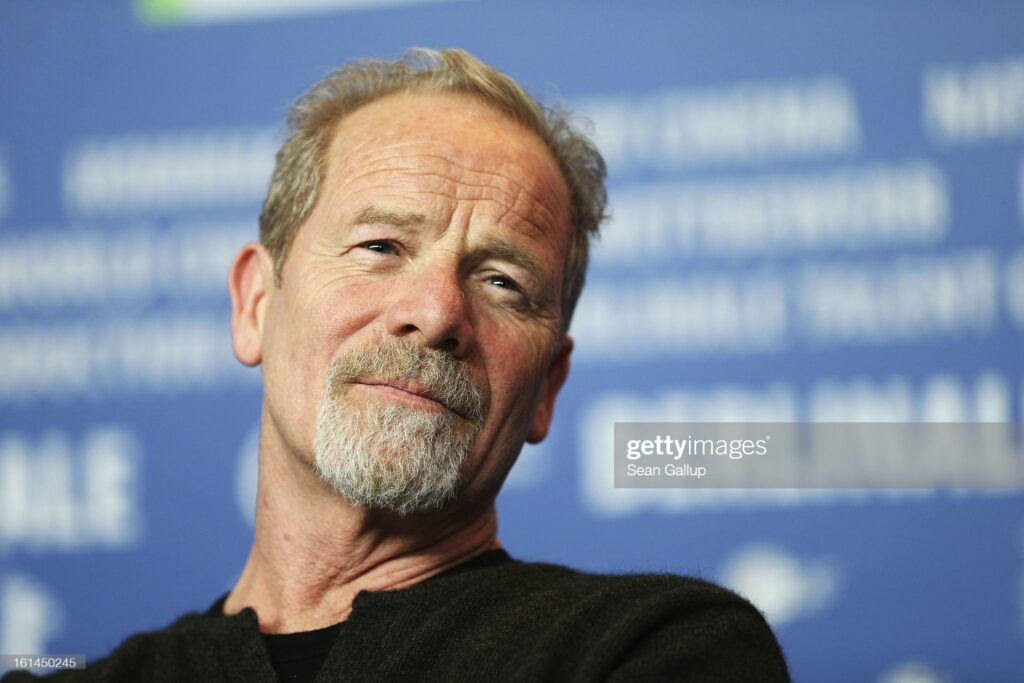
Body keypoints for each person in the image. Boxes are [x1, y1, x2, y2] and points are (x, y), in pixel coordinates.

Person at [4, 48, 790, 682]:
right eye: (380, 246)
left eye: (501, 282)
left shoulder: (655, 647)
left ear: (547, 387)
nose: (438, 312)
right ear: (255, 303)